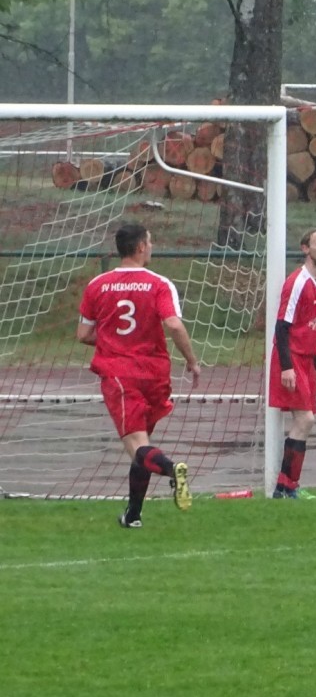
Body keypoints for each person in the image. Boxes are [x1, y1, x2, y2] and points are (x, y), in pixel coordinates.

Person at [77, 222, 200, 527]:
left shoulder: (97, 285)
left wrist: (113, 341)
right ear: (142, 246)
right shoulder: (159, 283)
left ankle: (173, 469)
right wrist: (192, 361)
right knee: (142, 445)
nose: (152, 247)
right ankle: (133, 515)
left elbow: (83, 334)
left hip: (120, 374)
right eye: (151, 241)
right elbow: (172, 324)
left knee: (138, 446)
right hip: (155, 374)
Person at [268, 228, 316, 499]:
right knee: (305, 419)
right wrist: (286, 366)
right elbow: (282, 326)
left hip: (306, 360)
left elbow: (314, 330)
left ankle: (287, 486)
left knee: (305, 421)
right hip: (291, 358)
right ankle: (286, 486)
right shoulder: (297, 282)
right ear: (306, 248)